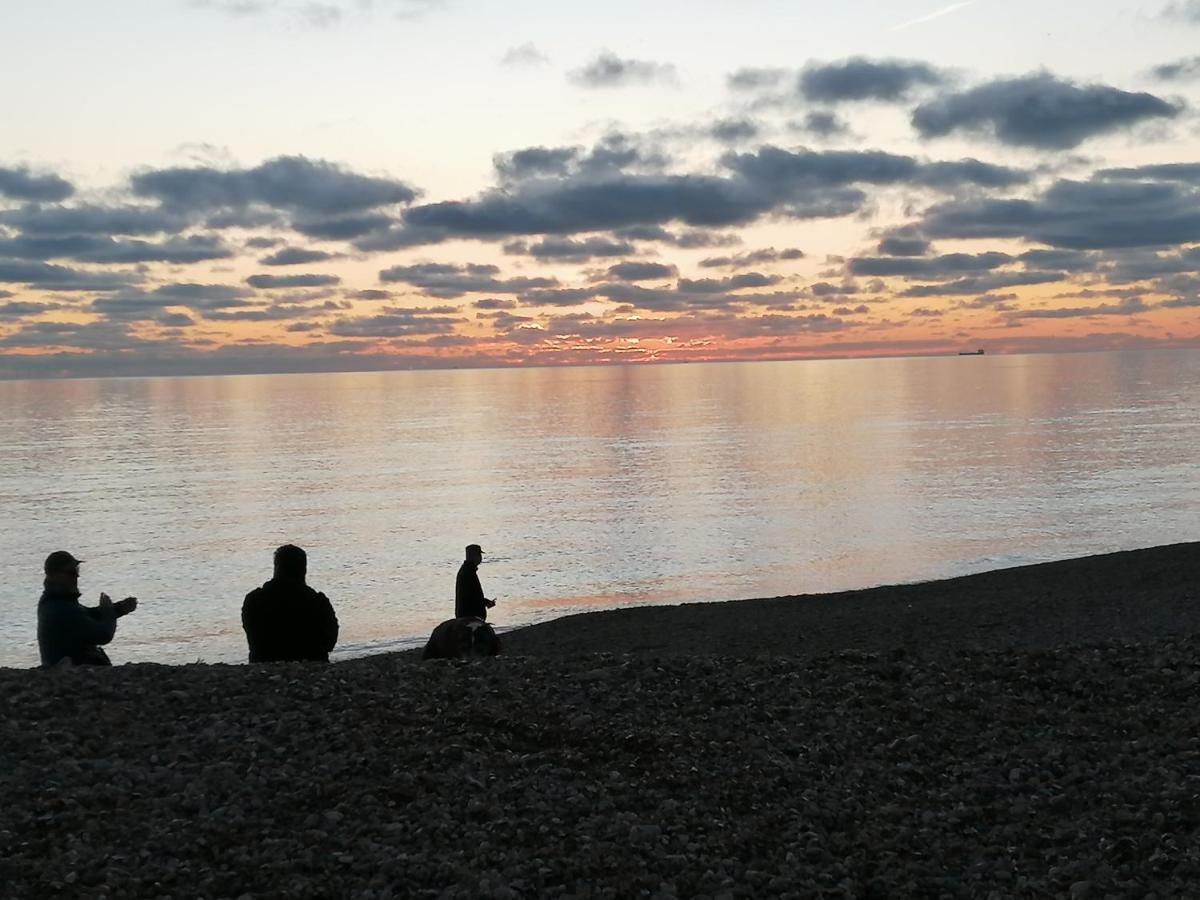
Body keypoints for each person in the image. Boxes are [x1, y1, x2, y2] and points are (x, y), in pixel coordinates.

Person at [37, 550, 138, 667]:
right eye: (71, 572)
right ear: (55, 576)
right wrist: (108, 611)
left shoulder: (57, 602)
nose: (77, 576)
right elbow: (104, 635)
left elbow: (87, 616)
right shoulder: (58, 608)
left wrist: (119, 608)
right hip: (72, 673)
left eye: (77, 570)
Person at [241, 544, 338, 663]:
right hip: (312, 662)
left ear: (276, 567)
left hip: (263, 664)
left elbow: (253, 638)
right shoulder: (318, 602)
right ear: (304, 569)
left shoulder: (253, 600)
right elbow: (330, 643)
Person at [455, 543, 495, 621]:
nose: (480, 558)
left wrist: (486, 602)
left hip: (467, 615)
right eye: (479, 555)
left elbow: (472, 595)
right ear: (473, 557)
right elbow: (471, 597)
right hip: (470, 617)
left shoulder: (467, 570)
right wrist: (486, 603)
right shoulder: (468, 573)